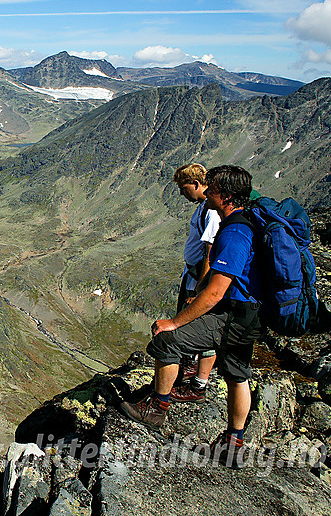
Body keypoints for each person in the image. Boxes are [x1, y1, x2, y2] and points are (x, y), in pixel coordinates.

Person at [120, 165, 261, 468]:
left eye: (211, 188)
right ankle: (234, 443)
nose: (206, 192)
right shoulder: (244, 222)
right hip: (248, 314)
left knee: (166, 341)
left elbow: (215, 293)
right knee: (237, 375)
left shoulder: (235, 231)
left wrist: (175, 321)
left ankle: (157, 409)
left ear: (223, 194)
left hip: (231, 316)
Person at [171, 164, 221, 403]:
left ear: (196, 184)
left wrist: (200, 289)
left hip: (199, 280)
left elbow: (211, 251)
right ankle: (190, 365)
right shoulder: (204, 207)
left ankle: (199, 384)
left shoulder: (211, 210)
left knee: (199, 323)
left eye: (183, 189)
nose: (182, 194)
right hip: (191, 275)